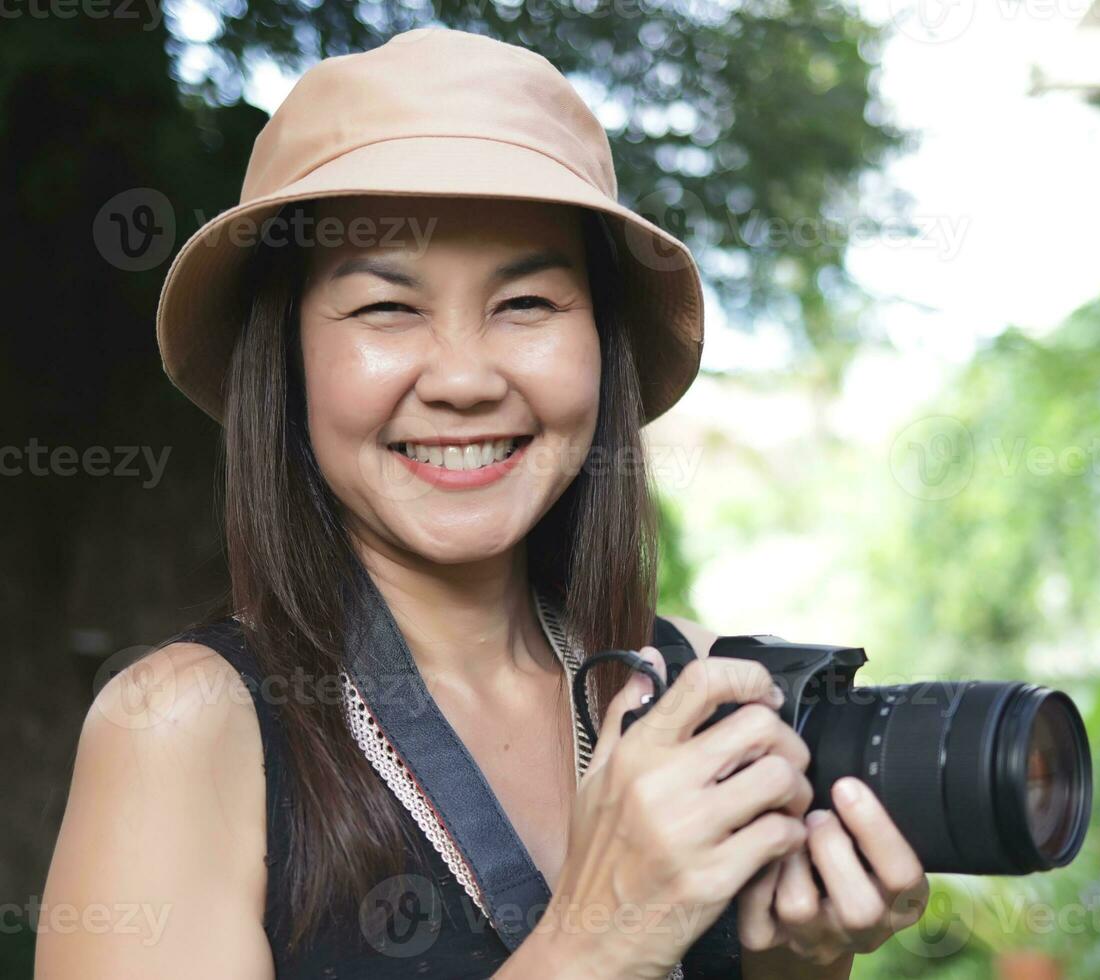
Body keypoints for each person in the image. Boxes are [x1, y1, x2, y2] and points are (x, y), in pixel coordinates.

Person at [35, 28, 927, 980]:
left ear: (601, 346)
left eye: (528, 304)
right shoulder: (181, 728)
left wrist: (800, 959)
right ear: (286, 363)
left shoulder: (695, 696)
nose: (463, 379)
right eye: (386, 307)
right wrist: (596, 941)